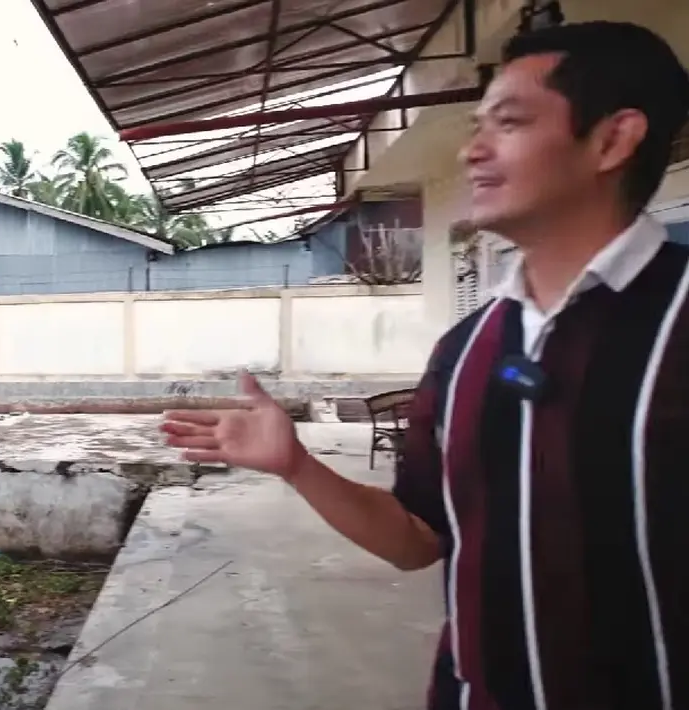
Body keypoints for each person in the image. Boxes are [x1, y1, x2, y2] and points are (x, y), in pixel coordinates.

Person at [162, 20, 689, 710]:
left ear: (612, 139)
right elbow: (416, 540)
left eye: (508, 122)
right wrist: (297, 465)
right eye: (477, 126)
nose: (472, 151)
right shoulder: (465, 349)